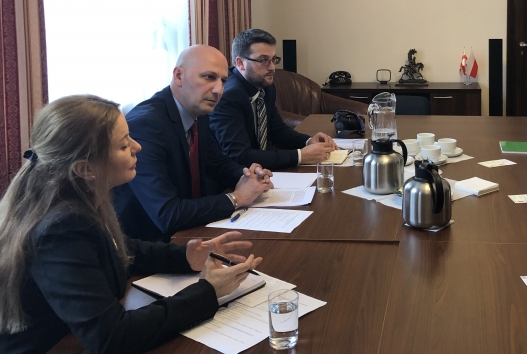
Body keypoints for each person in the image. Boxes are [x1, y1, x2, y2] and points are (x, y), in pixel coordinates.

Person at [0, 95, 263, 354]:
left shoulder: (76, 197)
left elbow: (117, 247)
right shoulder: (61, 228)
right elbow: (111, 337)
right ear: (86, 169)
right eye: (124, 145)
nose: (138, 147)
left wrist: (185, 256)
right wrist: (208, 292)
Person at [114, 45, 274, 241]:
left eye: (223, 81)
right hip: (154, 244)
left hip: (194, 230)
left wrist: (248, 175)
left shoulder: (197, 108)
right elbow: (168, 214)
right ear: (178, 76)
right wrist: (237, 198)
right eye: (208, 77)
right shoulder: (146, 125)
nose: (218, 90)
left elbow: (217, 162)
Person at [209, 28, 335, 170]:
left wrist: (308, 141)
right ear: (240, 63)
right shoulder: (228, 96)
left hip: (260, 171)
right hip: (233, 177)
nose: (272, 68)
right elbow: (239, 156)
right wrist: (301, 156)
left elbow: (277, 130)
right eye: (263, 60)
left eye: (273, 59)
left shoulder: (265, 86)